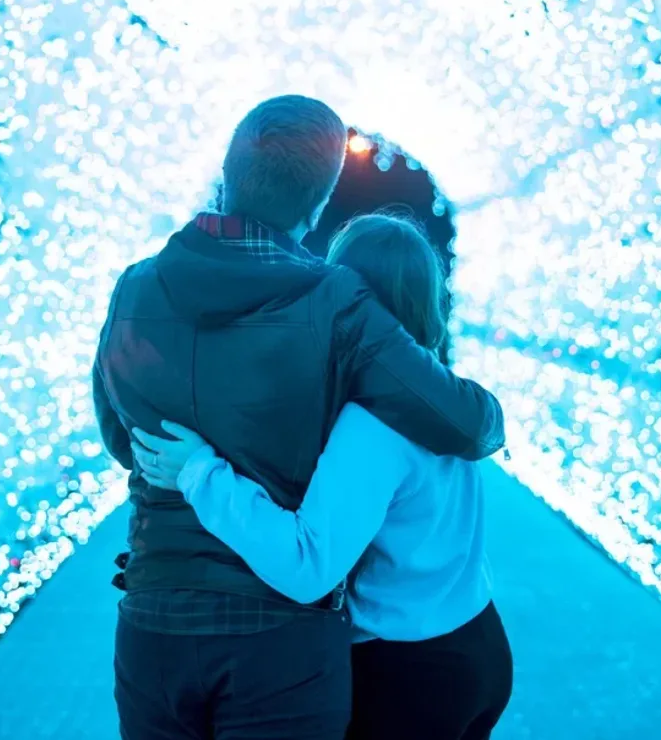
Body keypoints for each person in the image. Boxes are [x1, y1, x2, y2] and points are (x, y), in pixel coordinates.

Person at [93, 95, 505, 740]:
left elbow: (123, 440)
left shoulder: (133, 287)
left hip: (154, 618)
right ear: (318, 207)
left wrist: (196, 466)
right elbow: (465, 423)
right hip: (279, 635)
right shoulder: (334, 301)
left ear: (226, 177)